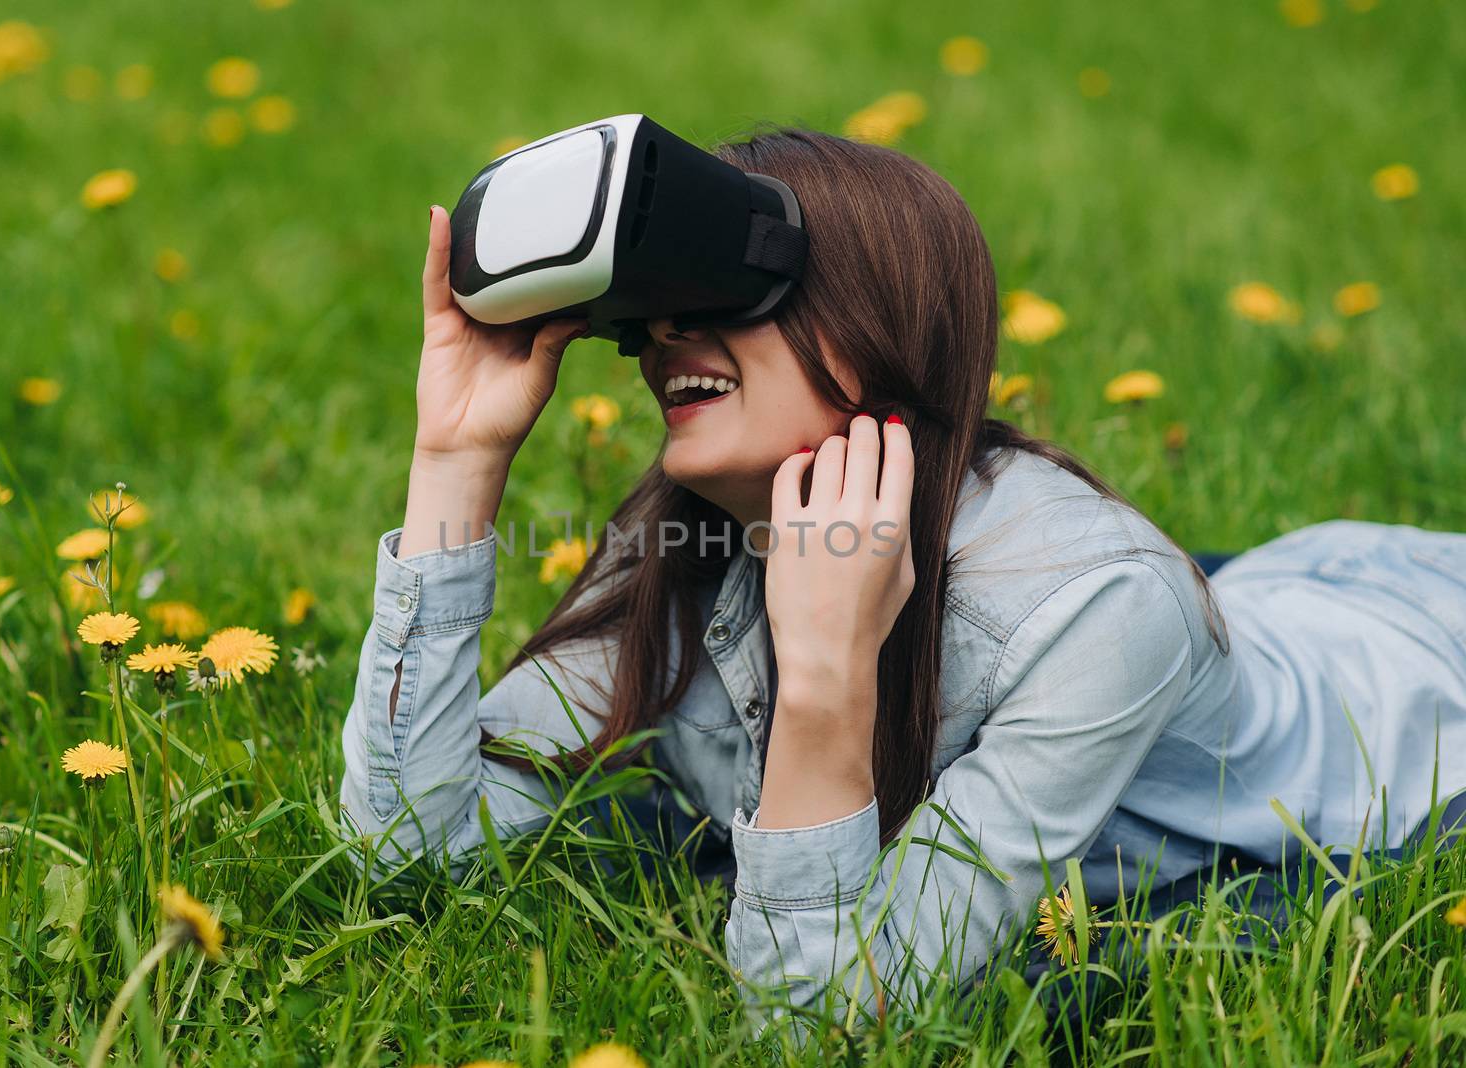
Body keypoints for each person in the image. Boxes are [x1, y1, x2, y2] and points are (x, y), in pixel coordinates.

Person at [339, 125, 1466, 1042]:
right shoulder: (683, 550)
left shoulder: (1096, 609)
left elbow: (819, 1019)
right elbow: (408, 855)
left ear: (880, 320)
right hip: (1270, 593)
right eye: (648, 314)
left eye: (724, 291)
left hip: (1417, 675)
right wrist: (456, 463)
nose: (664, 330)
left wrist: (823, 677)